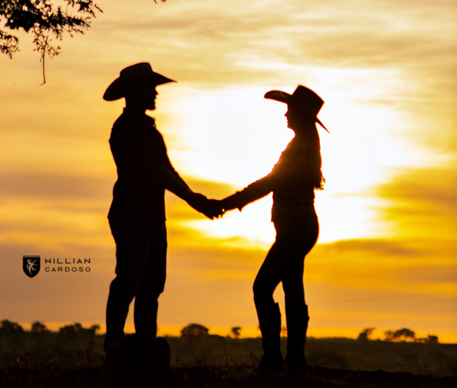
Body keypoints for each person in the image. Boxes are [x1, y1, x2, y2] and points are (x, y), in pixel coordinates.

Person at [210, 85, 327, 371]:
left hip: (295, 226)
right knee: (291, 288)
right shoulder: (305, 144)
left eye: (289, 109)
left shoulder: (301, 146)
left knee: (264, 287)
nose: (285, 113)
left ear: (299, 114)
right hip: (300, 225)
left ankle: (276, 358)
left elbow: (271, 181)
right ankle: (291, 359)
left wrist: (229, 203)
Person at [103, 62, 215, 354]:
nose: (155, 93)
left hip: (150, 215)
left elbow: (167, 170)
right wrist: (195, 201)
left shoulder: (150, 131)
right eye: (150, 88)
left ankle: (144, 343)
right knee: (130, 278)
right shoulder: (127, 128)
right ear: (135, 91)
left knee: (150, 284)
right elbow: (157, 171)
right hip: (132, 213)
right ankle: (114, 341)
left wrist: (194, 198)